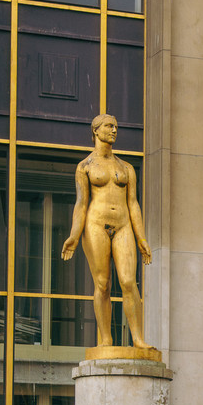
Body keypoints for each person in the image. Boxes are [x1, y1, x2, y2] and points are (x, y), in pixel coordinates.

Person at [60, 113, 153, 351]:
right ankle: (105, 339)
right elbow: (81, 203)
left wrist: (141, 237)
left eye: (116, 127)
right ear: (96, 131)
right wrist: (74, 235)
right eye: (109, 126)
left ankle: (138, 339)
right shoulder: (85, 167)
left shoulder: (127, 168)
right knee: (102, 284)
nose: (114, 131)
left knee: (129, 282)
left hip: (123, 226)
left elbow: (133, 204)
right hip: (95, 225)